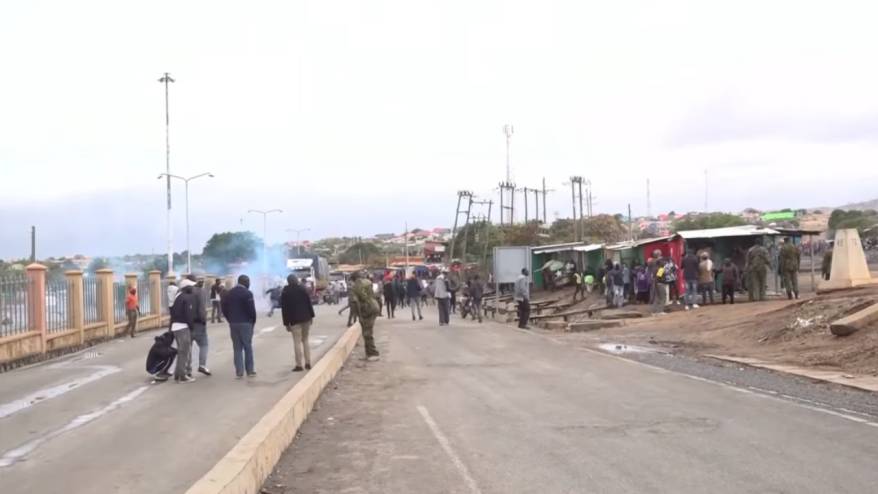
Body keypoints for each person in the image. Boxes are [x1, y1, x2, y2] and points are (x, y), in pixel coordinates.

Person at [222, 274, 257, 378]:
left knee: (237, 348)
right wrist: (253, 321)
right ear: (245, 282)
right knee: (247, 347)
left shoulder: (229, 293)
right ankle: (250, 371)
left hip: (233, 323)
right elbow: (251, 310)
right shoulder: (247, 293)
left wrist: (229, 319)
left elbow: (224, 307)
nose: (249, 284)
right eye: (248, 281)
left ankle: (239, 372)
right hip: (246, 323)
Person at [281, 274, 315, 372]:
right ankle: (308, 363)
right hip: (306, 318)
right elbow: (309, 303)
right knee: (305, 340)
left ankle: (299, 365)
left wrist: (286, 323)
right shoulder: (303, 289)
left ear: (288, 282)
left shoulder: (285, 291)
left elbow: (284, 309)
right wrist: (311, 316)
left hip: (294, 320)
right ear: (297, 280)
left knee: (297, 342)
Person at [169, 278, 197, 383]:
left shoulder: (178, 297)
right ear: (186, 288)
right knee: (184, 352)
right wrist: (192, 327)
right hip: (183, 327)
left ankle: (178, 374)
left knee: (181, 352)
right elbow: (188, 315)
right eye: (191, 286)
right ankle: (182, 376)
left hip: (176, 327)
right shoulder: (186, 298)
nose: (193, 288)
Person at [350, 271, 380, 361]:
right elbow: (375, 295)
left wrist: (359, 316)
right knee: (367, 331)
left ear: (353, 279)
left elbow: (355, 303)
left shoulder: (355, 287)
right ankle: (369, 354)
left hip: (367, 309)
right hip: (374, 306)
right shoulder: (368, 282)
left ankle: (373, 354)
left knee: (367, 332)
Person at [187, 276, 211, 377]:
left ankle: (188, 370)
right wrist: (204, 320)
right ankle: (202, 365)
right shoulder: (200, 292)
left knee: (188, 347)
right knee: (204, 344)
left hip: (186, 323)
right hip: (198, 323)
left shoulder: (183, 291)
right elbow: (201, 308)